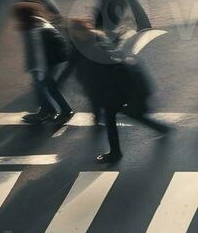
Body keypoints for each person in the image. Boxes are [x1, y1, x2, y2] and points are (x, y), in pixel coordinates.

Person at [66, 17, 170, 165]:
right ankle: (160, 128)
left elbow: (113, 69)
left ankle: (116, 153)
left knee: (112, 118)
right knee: (128, 115)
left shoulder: (96, 46)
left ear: (80, 32)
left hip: (113, 90)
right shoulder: (85, 42)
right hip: (108, 90)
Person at [14, 2, 72, 126]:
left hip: (46, 62)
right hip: (50, 60)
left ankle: (63, 111)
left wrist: (40, 71)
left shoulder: (35, 31)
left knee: (46, 87)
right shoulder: (37, 21)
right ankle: (48, 110)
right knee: (43, 87)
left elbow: (38, 53)